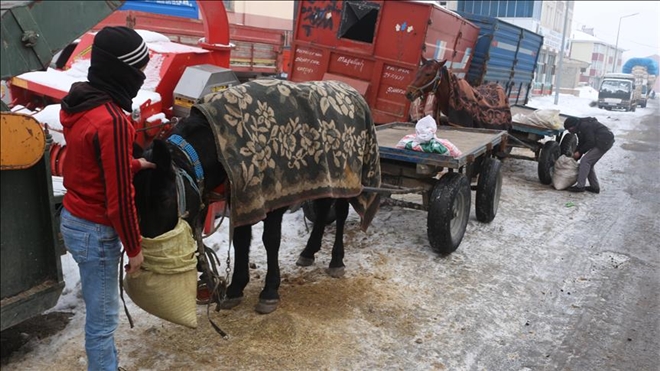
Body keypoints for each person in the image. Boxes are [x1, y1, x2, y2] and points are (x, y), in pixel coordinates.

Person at [59, 26, 155, 371]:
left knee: (98, 312)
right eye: (139, 68)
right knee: (103, 323)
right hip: (96, 230)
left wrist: (132, 162)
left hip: (73, 217)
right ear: (122, 69)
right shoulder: (113, 120)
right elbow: (119, 200)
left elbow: (89, 159)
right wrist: (135, 248)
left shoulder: (82, 100)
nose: (143, 75)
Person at [563, 116, 615, 193]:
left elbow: (590, 142)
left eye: (569, 129)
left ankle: (580, 186)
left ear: (574, 126)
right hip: (600, 141)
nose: (569, 131)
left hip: (604, 142)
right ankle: (594, 187)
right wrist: (577, 152)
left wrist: (580, 152)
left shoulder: (585, 126)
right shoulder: (580, 127)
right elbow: (582, 141)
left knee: (585, 161)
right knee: (588, 163)